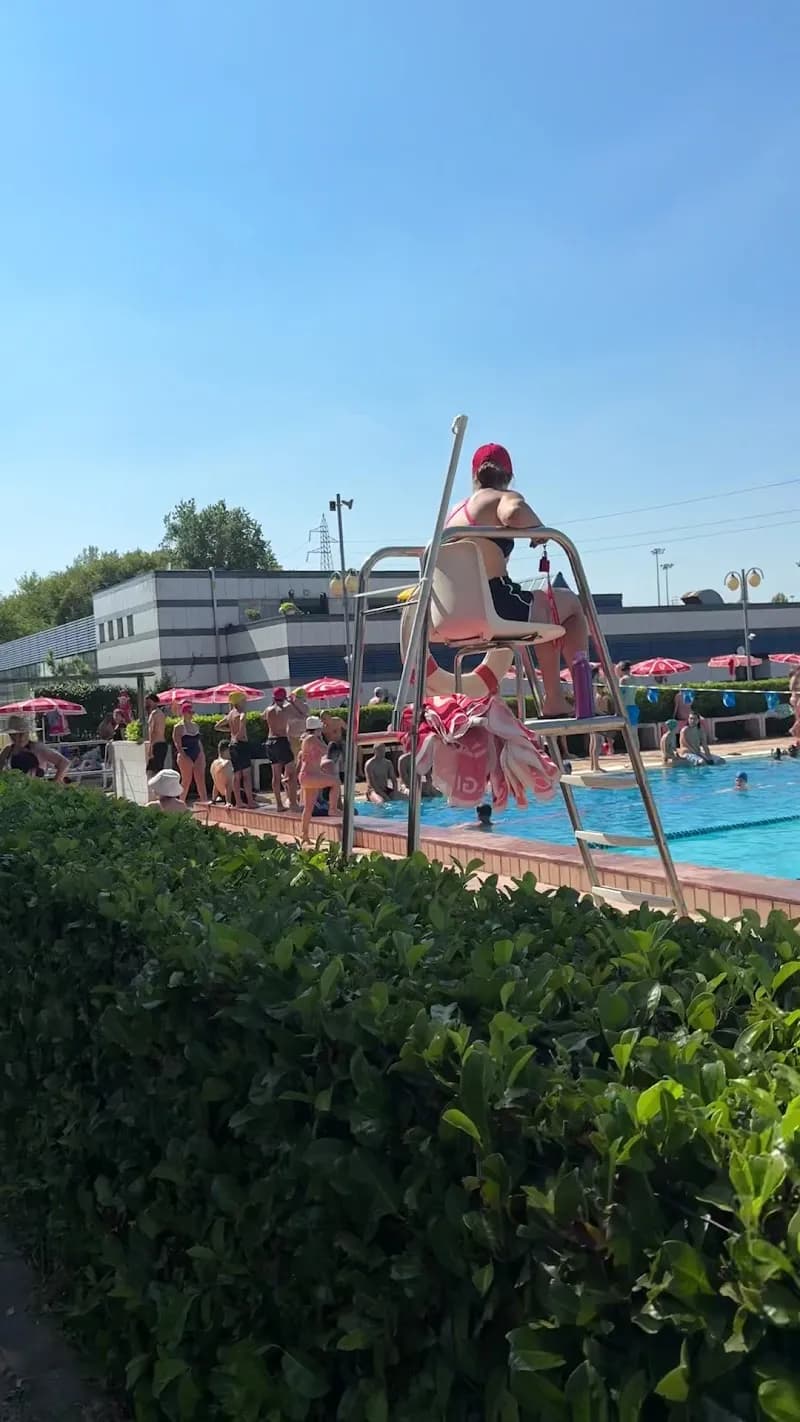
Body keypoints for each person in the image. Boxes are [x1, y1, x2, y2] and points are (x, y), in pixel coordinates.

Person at [444, 443, 591, 717]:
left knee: (547, 610)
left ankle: (555, 699)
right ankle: (580, 693)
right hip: (495, 603)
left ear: (474, 476)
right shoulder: (501, 497)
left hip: (453, 614)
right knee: (570, 604)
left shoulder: (453, 512)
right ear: (509, 476)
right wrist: (538, 528)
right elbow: (513, 513)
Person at [298, 715, 340, 840]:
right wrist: (323, 739)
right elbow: (326, 750)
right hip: (310, 775)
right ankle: (332, 809)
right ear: (316, 728)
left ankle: (304, 835)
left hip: (309, 775)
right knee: (336, 782)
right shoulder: (312, 738)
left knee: (309, 808)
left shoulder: (308, 739)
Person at [0, 715, 68, 781]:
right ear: (10, 735)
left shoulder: (38, 748)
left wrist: (55, 783)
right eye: (16, 734)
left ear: (28, 733)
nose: (21, 737)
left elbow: (64, 762)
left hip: (35, 790)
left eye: (23, 733)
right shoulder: (7, 751)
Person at [214, 693, 253, 807]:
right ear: (239, 702)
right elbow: (242, 718)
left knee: (236, 775)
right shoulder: (241, 713)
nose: (246, 702)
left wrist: (231, 731)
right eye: (244, 700)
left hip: (233, 744)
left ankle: (239, 802)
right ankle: (250, 802)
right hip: (241, 744)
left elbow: (217, 726)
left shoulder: (230, 714)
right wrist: (240, 731)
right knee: (246, 775)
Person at [263, 688, 297, 811]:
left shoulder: (268, 710)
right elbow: (300, 714)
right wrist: (291, 701)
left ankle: (279, 805)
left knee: (275, 776)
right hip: (281, 741)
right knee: (292, 774)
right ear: (284, 698)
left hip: (269, 742)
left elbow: (262, 717)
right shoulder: (286, 709)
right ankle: (293, 803)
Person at [172, 702, 207, 803]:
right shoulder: (178, 727)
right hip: (185, 754)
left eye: (192, 712)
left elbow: (198, 742)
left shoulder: (195, 726)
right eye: (189, 712)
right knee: (186, 781)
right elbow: (177, 744)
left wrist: (202, 755)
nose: (191, 714)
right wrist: (184, 757)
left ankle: (205, 803)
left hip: (197, 753)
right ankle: (180, 803)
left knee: (200, 780)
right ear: (184, 713)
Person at [145, 694, 168, 777]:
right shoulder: (160, 713)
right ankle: (154, 789)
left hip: (157, 745)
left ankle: (154, 789)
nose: (147, 704)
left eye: (148, 702)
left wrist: (151, 747)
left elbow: (153, 731)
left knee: (153, 772)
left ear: (154, 702)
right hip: (161, 744)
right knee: (154, 770)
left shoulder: (155, 714)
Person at [210, 740, 236, 806]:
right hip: (233, 796)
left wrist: (213, 800)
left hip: (222, 796)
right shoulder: (227, 763)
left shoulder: (213, 764)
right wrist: (228, 802)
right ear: (226, 750)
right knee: (252, 796)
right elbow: (228, 785)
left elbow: (215, 784)